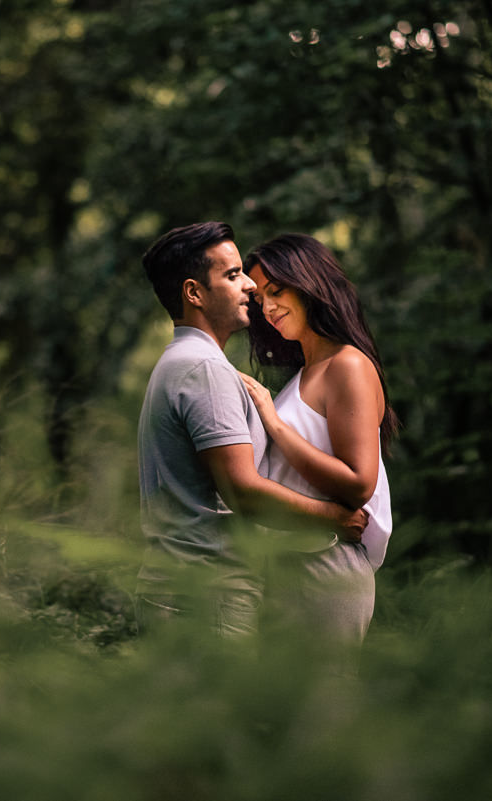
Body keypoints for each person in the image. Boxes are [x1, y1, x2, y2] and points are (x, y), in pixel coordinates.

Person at [136, 222, 368, 638]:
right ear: (194, 293)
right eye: (232, 274)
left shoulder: (181, 361)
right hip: (207, 594)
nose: (250, 287)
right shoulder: (204, 369)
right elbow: (242, 490)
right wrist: (333, 518)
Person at [239, 233, 398, 654]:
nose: (267, 308)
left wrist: (274, 423)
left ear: (311, 284)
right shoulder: (304, 375)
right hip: (288, 563)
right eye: (259, 300)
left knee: (322, 711)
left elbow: (358, 483)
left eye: (276, 291)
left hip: (327, 566)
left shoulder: (348, 365)